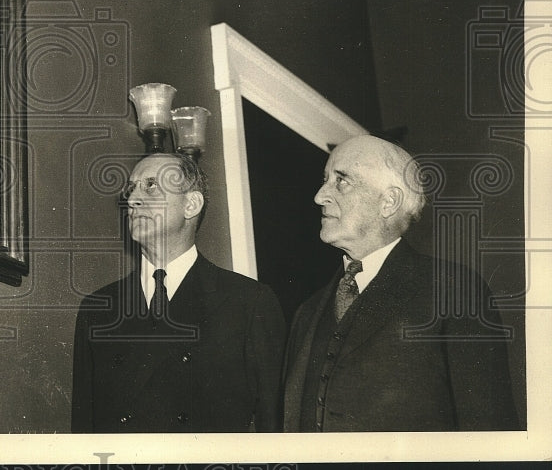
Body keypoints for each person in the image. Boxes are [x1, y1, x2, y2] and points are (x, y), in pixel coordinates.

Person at [283, 134, 520, 431]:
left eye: (341, 180)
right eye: (325, 179)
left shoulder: (453, 291)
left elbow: (490, 433)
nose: (320, 196)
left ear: (389, 201)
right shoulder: (307, 313)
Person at [71, 153, 286, 432]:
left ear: (191, 204)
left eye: (150, 186)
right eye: (131, 189)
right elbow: (83, 432)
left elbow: (275, 427)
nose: (132, 200)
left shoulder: (248, 302)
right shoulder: (98, 308)